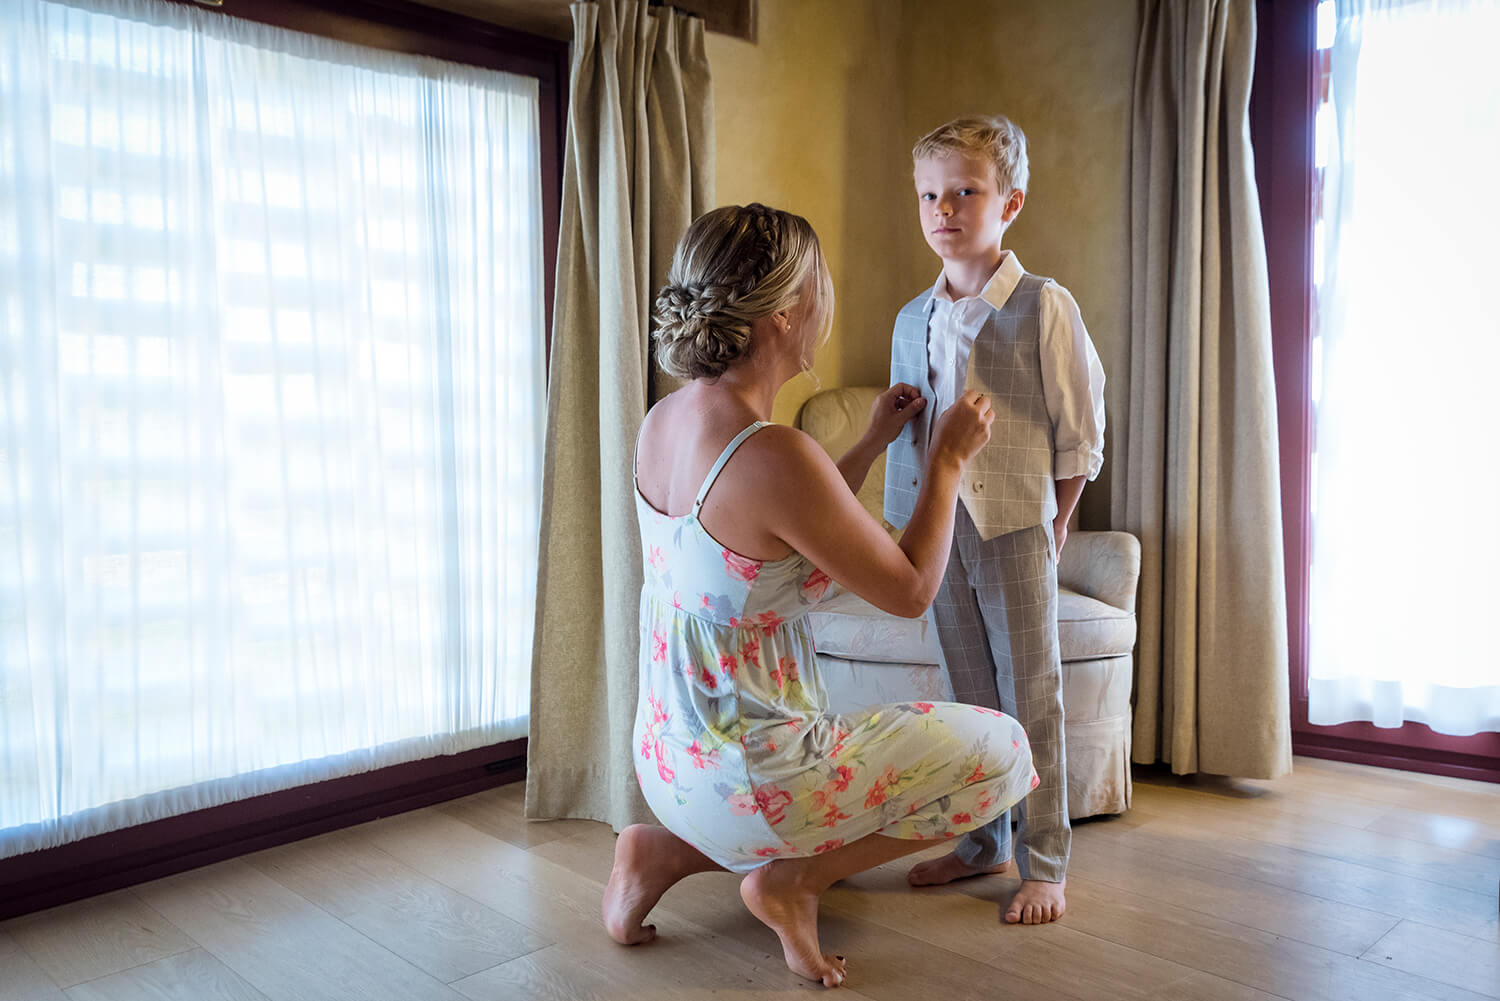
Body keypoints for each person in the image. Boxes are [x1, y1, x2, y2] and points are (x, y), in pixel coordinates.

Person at [603, 202, 1037, 988]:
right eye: (819, 283)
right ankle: (796, 878)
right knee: (1006, 752)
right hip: (759, 774)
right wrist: (945, 462)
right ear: (781, 313)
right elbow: (909, 589)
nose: (826, 300)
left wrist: (870, 439)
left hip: (671, 765)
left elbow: (774, 532)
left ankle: (662, 848)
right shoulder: (775, 454)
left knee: (783, 774)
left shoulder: (666, 421)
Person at [883, 115, 1106, 926]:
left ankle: (1044, 857)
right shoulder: (913, 316)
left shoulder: (1045, 306)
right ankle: (984, 842)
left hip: (1015, 524)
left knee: (1029, 692)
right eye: (929, 195)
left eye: (964, 192)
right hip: (937, 530)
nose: (944, 209)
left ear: (1009, 202)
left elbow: (1079, 432)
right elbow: (915, 437)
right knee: (969, 696)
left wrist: (1056, 523)